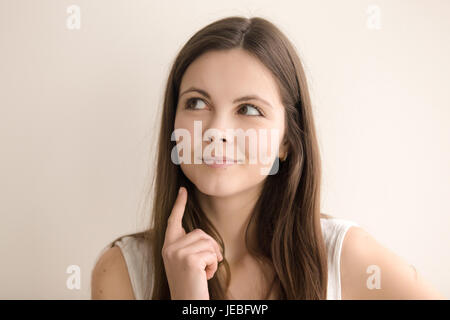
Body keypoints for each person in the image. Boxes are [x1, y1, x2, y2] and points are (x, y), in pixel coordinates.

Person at [91, 16, 445, 300]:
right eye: (197, 103)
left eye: (248, 109)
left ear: (287, 142)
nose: (217, 131)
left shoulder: (345, 258)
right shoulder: (123, 271)